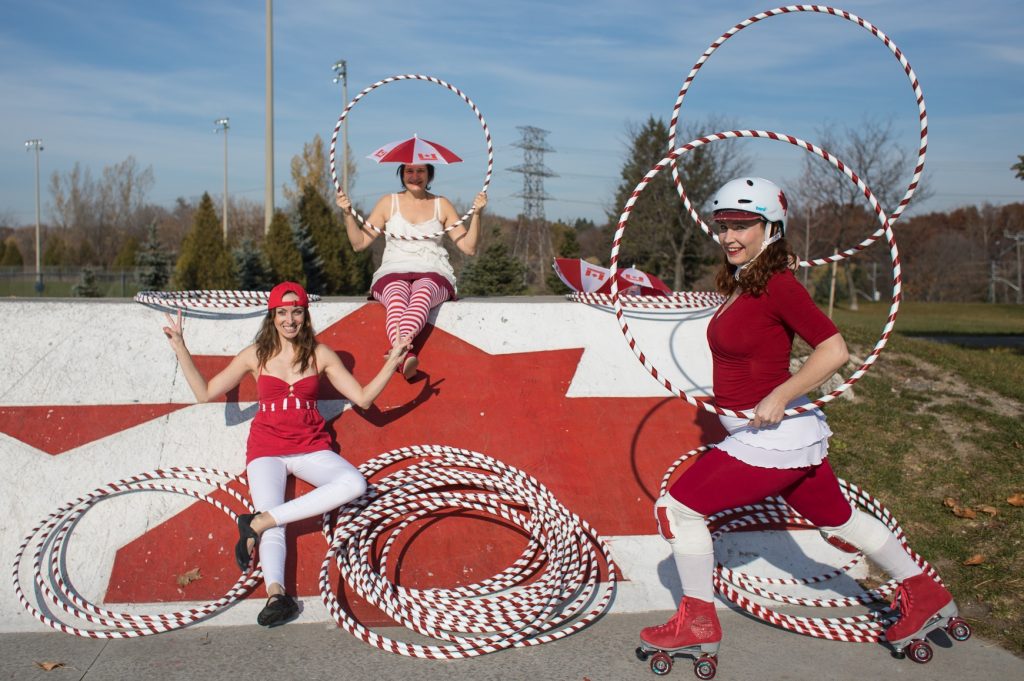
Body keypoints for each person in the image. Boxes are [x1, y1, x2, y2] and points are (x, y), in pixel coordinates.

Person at [640, 177, 959, 657]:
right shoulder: (749, 280)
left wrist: (781, 394)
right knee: (838, 517)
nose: (729, 235)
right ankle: (927, 594)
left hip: (771, 437)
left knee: (681, 508)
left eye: (742, 225)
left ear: (770, 228)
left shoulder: (777, 285)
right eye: (724, 225)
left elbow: (834, 350)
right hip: (778, 437)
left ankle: (698, 622)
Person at [161, 281, 411, 627]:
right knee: (275, 523)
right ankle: (276, 595)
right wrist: (180, 347)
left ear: (305, 315)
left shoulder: (320, 355)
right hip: (267, 451)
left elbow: (364, 398)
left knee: (353, 483)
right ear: (272, 316)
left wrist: (393, 361)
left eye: (296, 312)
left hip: (311, 448)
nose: (289, 320)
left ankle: (259, 520)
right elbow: (205, 393)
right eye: (282, 313)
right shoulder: (255, 355)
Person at [336, 163, 487, 379]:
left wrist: (478, 214)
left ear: (429, 175)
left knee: (422, 294)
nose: (414, 176)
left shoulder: (441, 204)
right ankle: (405, 355)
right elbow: (359, 243)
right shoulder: (388, 202)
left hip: (433, 272)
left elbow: (469, 247)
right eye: (409, 171)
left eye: (420, 171)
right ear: (401, 174)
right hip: (393, 271)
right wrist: (347, 214)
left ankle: (398, 353)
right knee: (396, 299)